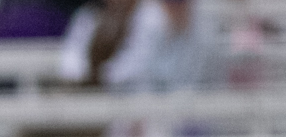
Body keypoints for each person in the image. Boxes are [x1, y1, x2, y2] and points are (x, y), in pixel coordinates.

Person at [58, 0, 219, 90]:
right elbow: (70, 59)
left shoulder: (151, 17)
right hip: (97, 93)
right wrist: (89, 76)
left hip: (141, 97)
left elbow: (140, 63)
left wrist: (102, 76)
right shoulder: (88, 16)